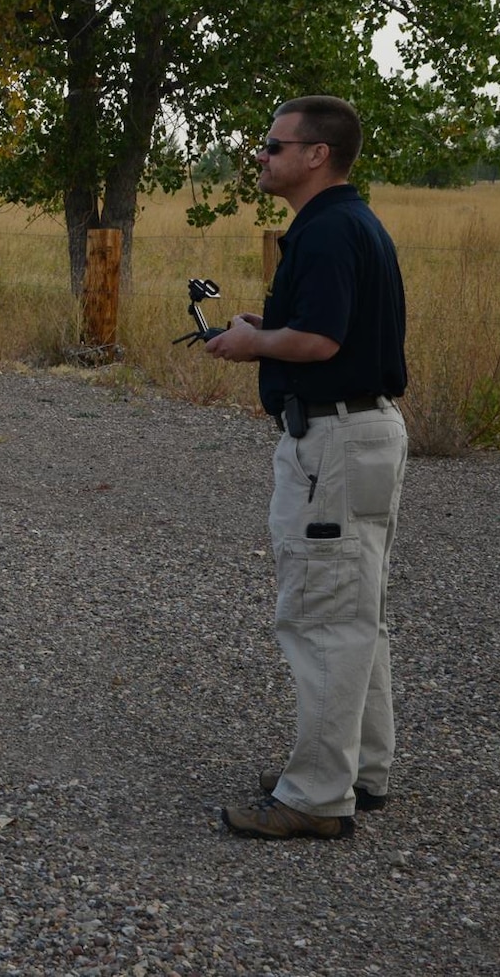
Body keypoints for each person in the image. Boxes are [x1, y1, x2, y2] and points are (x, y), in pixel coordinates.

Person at [206, 95, 408, 841]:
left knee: (322, 616)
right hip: (361, 433)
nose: (261, 155)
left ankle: (319, 795)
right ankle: (360, 767)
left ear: (316, 154)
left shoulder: (326, 233)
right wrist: (269, 327)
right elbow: (335, 331)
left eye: (273, 145)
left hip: (333, 440)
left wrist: (254, 344)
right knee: (357, 612)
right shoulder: (348, 224)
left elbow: (321, 342)